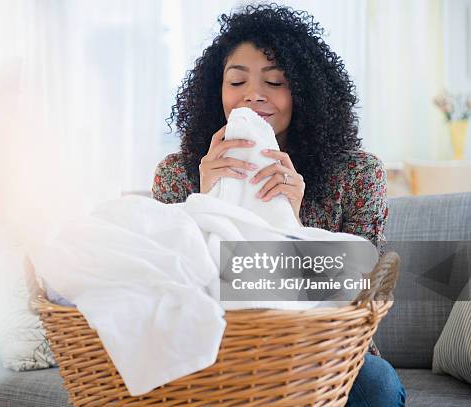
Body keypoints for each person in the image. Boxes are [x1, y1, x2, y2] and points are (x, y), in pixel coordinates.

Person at [152, 4, 405, 406]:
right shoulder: (179, 174)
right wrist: (203, 202)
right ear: (216, 92)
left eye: (274, 81)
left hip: (324, 353)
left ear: (304, 92)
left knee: (376, 385)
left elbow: (358, 292)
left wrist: (295, 222)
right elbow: (163, 285)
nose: (253, 95)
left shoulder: (357, 173)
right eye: (237, 81)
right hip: (215, 347)